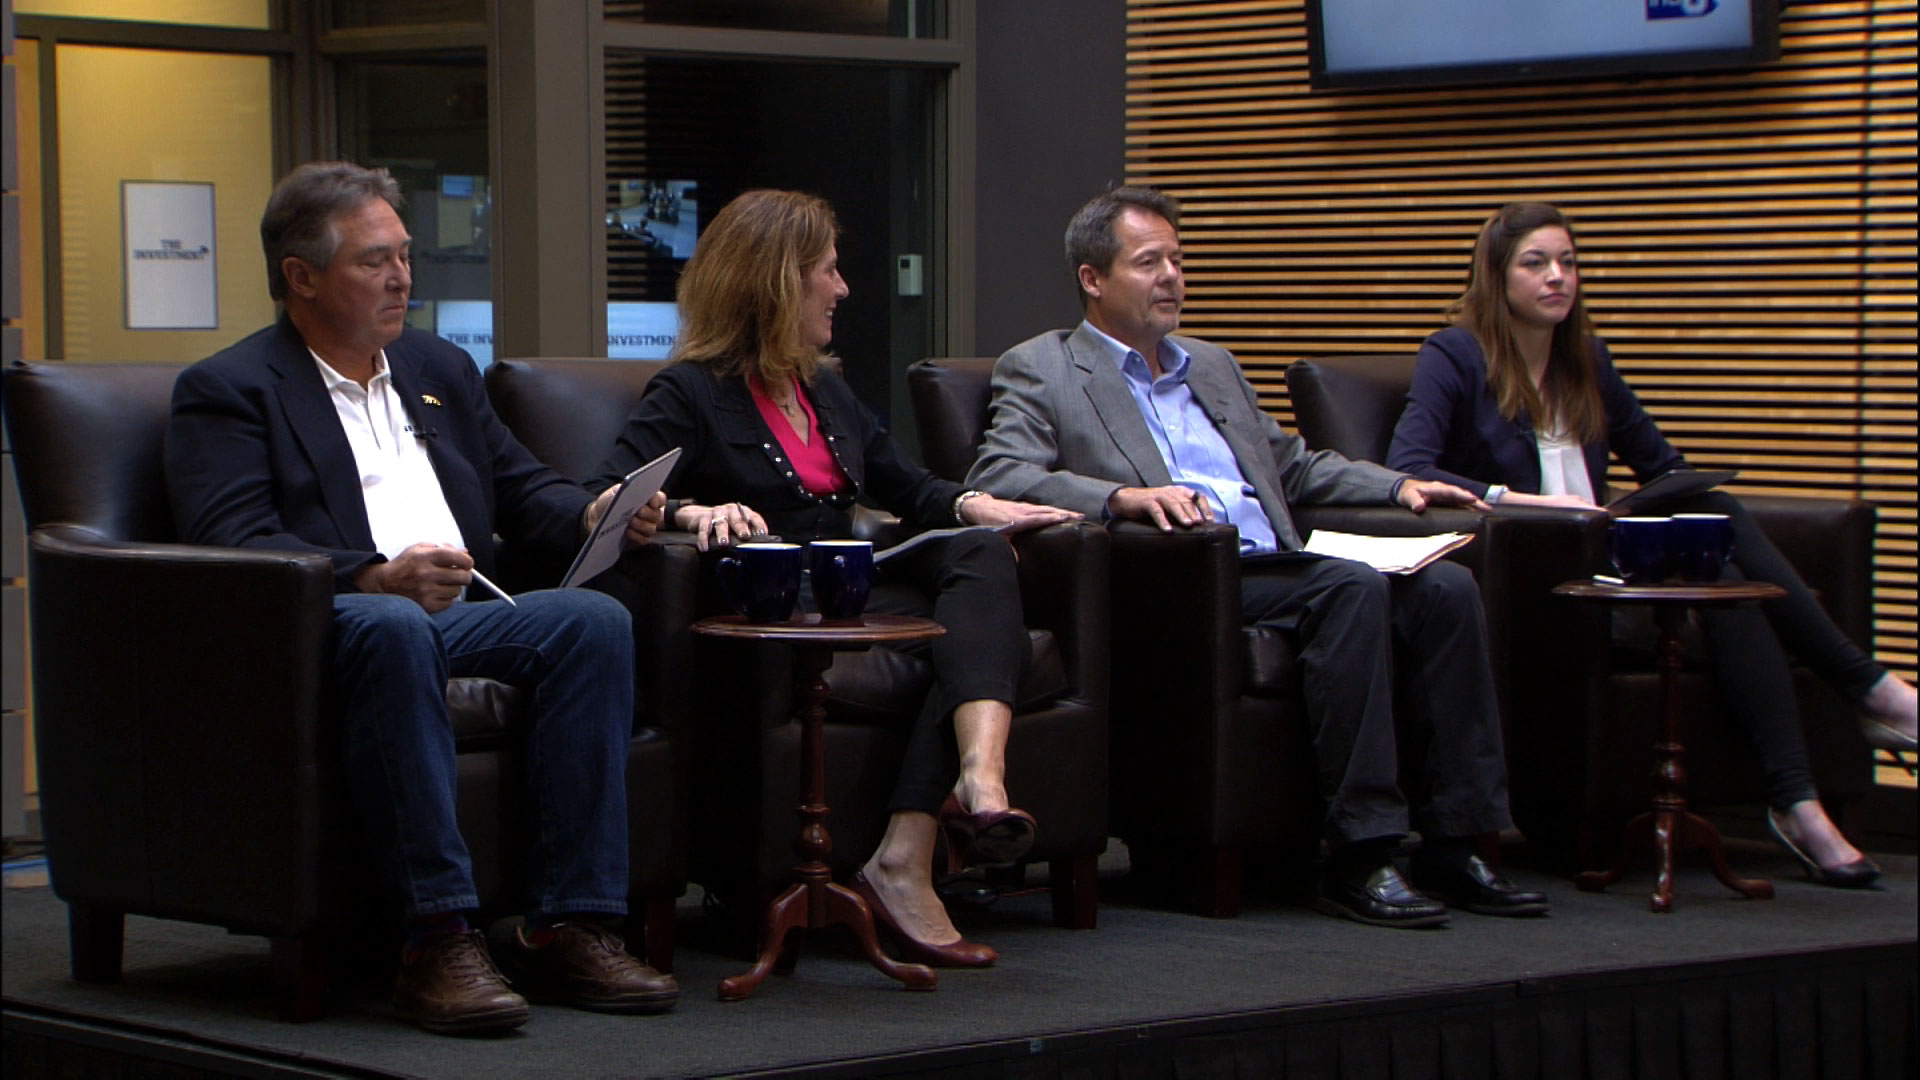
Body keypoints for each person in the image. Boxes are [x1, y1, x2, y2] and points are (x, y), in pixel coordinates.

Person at [165, 162, 679, 1035]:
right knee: (396, 624)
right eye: (375, 262)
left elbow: (520, 487)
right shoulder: (231, 389)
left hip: (462, 616)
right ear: (301, 277)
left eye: (405, 256)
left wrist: (593, 511)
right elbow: (234, 539)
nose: (403, 277)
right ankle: (436, 938)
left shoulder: (437, 367)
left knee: (594, 620)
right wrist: (371, 574)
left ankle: (568, 924)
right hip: (333, 622)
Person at [968, 185, 1548, 928]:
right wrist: (1121, 498)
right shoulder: (1043, 368)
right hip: (1182, 580)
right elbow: (1000, 473)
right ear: (1093, 278)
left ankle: (1458, 842)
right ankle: (1362, 851)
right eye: (1150, 263)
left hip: (1279, 567)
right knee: (1347, 590)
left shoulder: (1211, 365)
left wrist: (1399, 484)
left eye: (1178, 260)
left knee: (1446, 590)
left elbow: (1294, 468)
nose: (1173, 277)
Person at [592, 189, 1080, 966]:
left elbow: (910, 488)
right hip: (771, 603)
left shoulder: (824, 386)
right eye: (829, 269)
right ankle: (910, 856)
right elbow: (612, 493)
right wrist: (691, 511)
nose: (844, 287)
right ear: (778, 281)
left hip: (848, 585)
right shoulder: (691, 391)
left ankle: (967, 797)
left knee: (981, 558)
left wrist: (982, 505)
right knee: (965, 646)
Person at [1386, 201, 1918, 887]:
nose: (1558, 278)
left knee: (1717, 542)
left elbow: (1662, 464)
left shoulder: (1586, 360)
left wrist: (1649, 502)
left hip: (1606, 550)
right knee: (1720, 552)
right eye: (1536, 263)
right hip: (1529, 563)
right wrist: (1535, 503)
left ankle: (1800, 799)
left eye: (1568, 263)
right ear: (1496, 276)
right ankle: (1865, 699)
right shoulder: (1455, 353)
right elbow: (1411, 467)